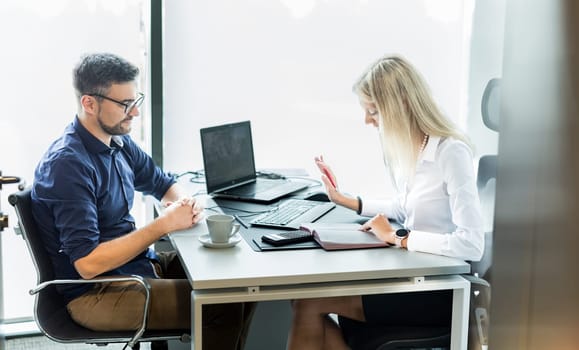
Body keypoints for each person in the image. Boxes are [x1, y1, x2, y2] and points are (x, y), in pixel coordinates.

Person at [31, 53, 254, 349]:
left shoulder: (118, 142)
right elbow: (87, 264)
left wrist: (185, 204)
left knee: (238, 286)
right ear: (89, 103)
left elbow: (161, 183)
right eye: (124, 105)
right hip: (94, 292)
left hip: (134, 268)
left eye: (135, 101)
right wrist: (163, 225)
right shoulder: (68, 166)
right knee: (218, 304)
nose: (134, 113)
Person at [287, 55, 484, 349]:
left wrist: (399, 238)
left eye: (374, 111)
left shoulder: (451, 152)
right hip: (414, 275)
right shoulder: (414, 148)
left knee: (306, 303)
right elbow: (403, 209)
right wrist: (345, 200)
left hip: (438, 290)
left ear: (401, 105)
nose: (367, 120)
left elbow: (471, 244)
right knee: (302, 301)